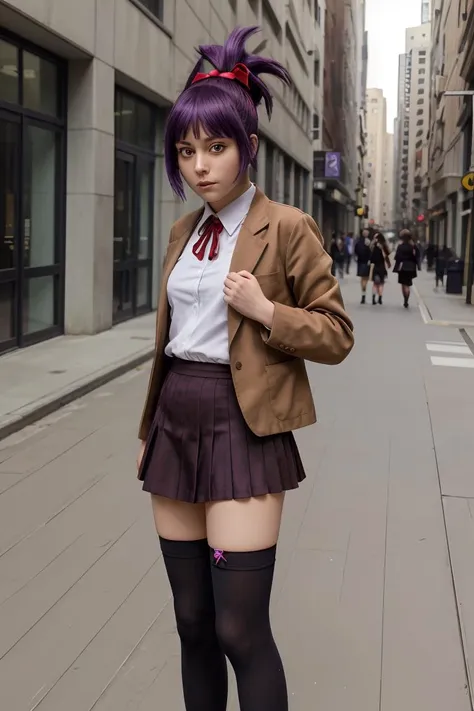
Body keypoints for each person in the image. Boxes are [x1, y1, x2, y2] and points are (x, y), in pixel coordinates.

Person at [135, 26, 354, 711]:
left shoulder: (286, 226)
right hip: (176, 418)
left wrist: (265, 310)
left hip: (244, 425)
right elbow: (171, 337)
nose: (200, 165)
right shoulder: (183, 230)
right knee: (192, 622)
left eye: (216, 147)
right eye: (187, 151)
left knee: (238, 627)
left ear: (248, 147)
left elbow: (337, 333)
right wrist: (149, 425)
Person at [393, 228, 421, 308]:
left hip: (402, 267)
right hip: (411, 267)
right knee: (408, 284)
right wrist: (417, 265)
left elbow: (397, 257)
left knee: (403, 284)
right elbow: (417, 256)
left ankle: (405, 299)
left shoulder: (400, 246)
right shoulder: (413, 246)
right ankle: (407, 299)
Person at [370, 231, 391, 305]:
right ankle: (380, 298)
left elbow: (371, 256)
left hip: (375, 267)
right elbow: (388, 253)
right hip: (382, 267)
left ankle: (373, 298)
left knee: (375, 284)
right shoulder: (383, 246)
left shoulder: (373, 246)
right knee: (381, 283)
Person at [354, 228, 372, 304]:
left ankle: (363, 294)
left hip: (360, 262)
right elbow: (371, 252)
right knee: (366, 279)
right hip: (367, 262)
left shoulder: (358, 242)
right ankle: (364, 293)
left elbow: (356, 251)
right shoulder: (368, 242)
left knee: (362, 279)